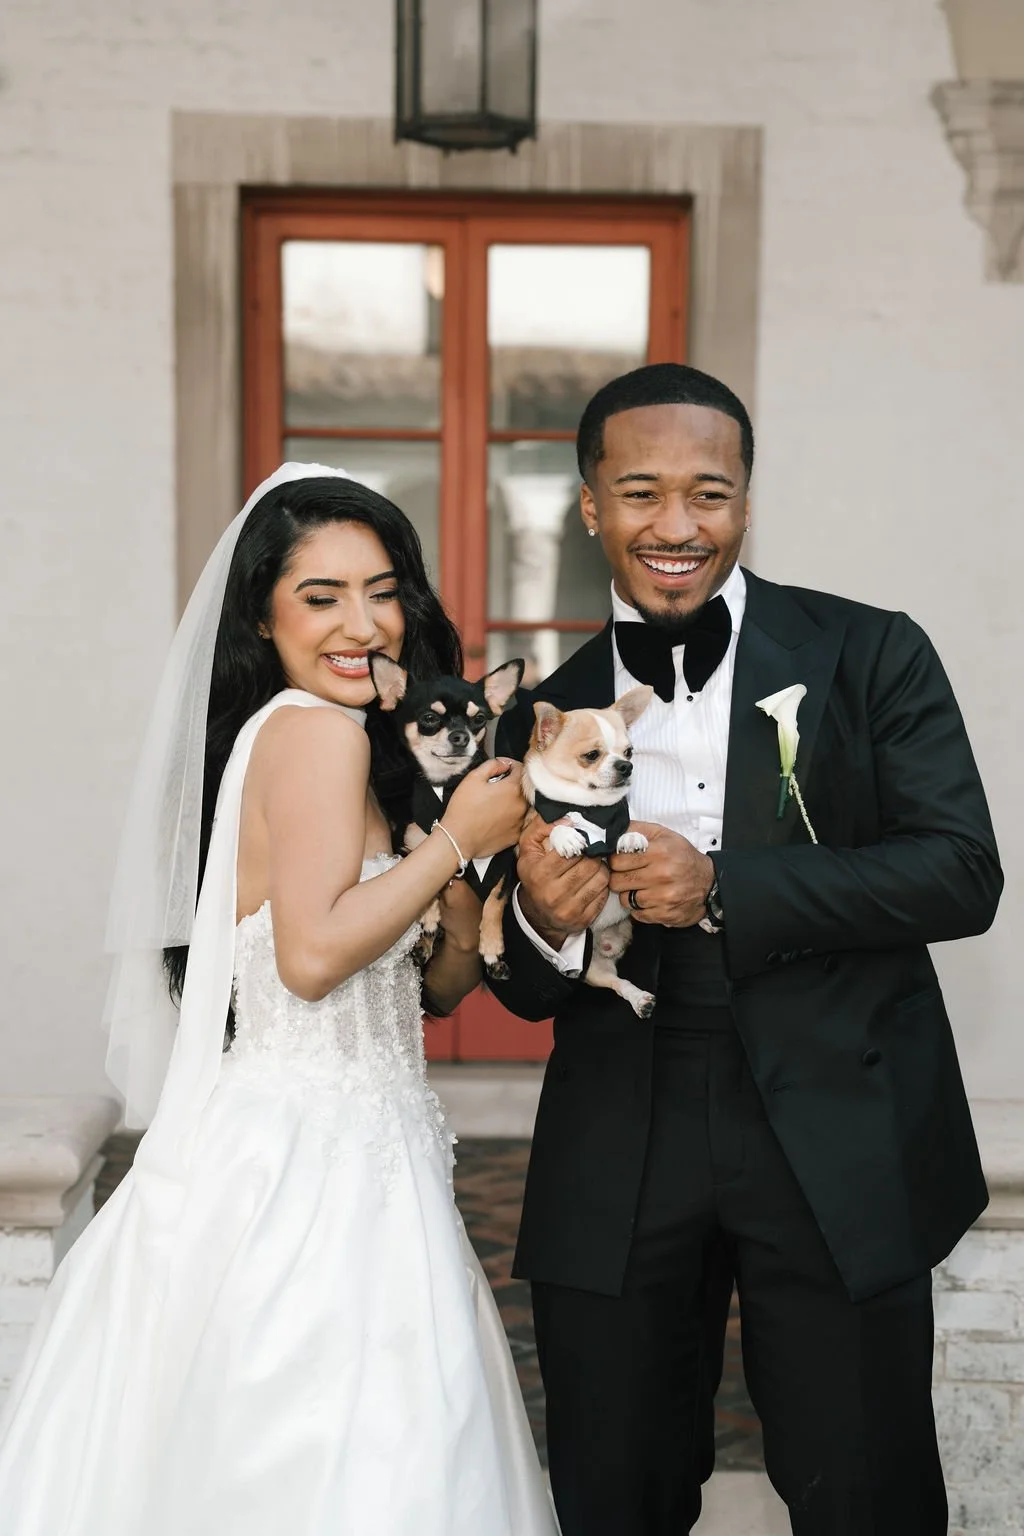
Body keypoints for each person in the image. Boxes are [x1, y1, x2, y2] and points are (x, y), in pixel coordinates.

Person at [489, 363, 1003, 1536]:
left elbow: (960, 870)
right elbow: (512, 987)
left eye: (708, 493)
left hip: (832, 1120)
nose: (676, 526)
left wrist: (724, 887)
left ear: (746, 502)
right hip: (621, 1124)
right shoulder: (540, 712)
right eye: (640, 493)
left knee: (862, 1489)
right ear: (588, 507)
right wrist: (544, 922)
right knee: (611, 1488)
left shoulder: (872, 653)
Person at [0, 464, 557, 1536]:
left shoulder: (329, 738)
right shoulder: (314, 731)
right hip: (308, 1173)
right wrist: (456, 841)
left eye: (383, 590)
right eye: (321, 596)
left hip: (363, 1144)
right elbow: (308, 962)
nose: (363, 624)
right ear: (261, 612)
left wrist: (475, 884)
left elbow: (428, 986)